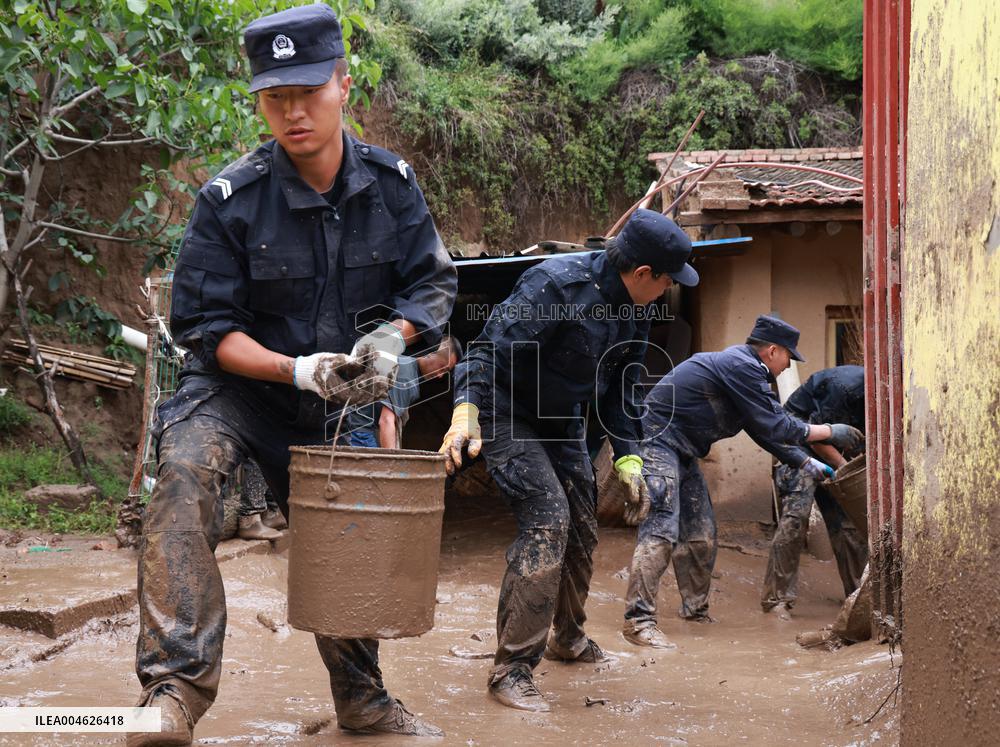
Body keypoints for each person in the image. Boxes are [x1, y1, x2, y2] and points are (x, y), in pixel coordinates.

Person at [126, 6, 456, 745]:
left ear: (344, 84)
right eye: (276, 97)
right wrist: (297, 368)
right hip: (241, 394)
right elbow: (207, 334)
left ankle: (363, 701)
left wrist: (389, 338)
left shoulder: (393, 187)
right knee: (182, 471)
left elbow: (431, 287)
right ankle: (172, 692)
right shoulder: (230, 201)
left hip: (346, 401)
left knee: (351, 537)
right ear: (258, 100)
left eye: (309, 91)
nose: (294, 111)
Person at [438, 209, 700, 712]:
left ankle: (569, 637)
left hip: (561, 421)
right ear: (644, 274)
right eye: (669, 279)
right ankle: (512, 669)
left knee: (581, 525)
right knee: (548, 521)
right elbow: (486, 351)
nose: (671, 289)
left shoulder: (639, 310)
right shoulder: (555, 286)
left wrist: (629, 459)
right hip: (505, 410)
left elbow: (622, 391)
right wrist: (465, 410)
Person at [621, 316, 865, 648]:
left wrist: (806, 461)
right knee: (662, 527)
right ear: (773, 351)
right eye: (788, 358)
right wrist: (826, 432)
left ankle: (694, 614)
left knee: (702, 534)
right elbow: (776, 424)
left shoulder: (751, 374)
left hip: (685, 449)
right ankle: (639, 621)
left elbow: (762, 429)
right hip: (657, 439)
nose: (787, 366)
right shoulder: (741, 365)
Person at [761, 365, 868, 617]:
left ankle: (859, 596)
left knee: (850, 525)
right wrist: (844, 468)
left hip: (839, 452)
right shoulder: (846, 386)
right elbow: (814, 435)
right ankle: (776, 600)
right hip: (797, 445)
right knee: (796, 519)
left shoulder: (893, 396)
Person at [345, 336, 461, 449]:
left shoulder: (406, 363)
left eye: (445, 372)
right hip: (359, 431)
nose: (440, 375)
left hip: (359, 426)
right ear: (430, 353)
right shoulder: (406, 377)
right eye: (442, 367)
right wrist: (392, 464)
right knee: (391, 467)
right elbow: (386, 421)